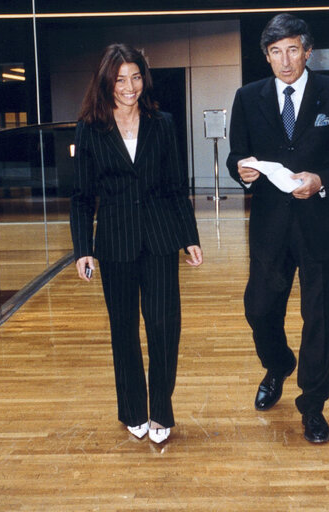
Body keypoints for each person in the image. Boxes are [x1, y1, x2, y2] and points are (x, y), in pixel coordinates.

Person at [226, 14, 329, 443]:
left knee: (319, 319)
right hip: (270, 224)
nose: (284, 60)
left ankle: (313, 405)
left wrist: (321, 179)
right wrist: (240, 171)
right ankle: (278, 364)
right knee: (259, 308)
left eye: (292, 50)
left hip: (319, 222)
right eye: (275, 52)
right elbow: (237, 155)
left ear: (307, 51)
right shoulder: (248, 98)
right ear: (266, 56)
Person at [70, 43, 203, 444]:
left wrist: (189, 237)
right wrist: (83, 248)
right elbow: (81, 196)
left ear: (144, 79)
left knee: (164, 326)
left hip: (161, 237)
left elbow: (177, 187)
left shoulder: (162, 123)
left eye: (136, 77)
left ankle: (161, 409)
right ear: (106, 82)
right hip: (115, 241)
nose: (129, 86)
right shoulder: (90, 128)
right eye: (120, 79)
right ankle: (132, 409)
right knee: (124, 328)